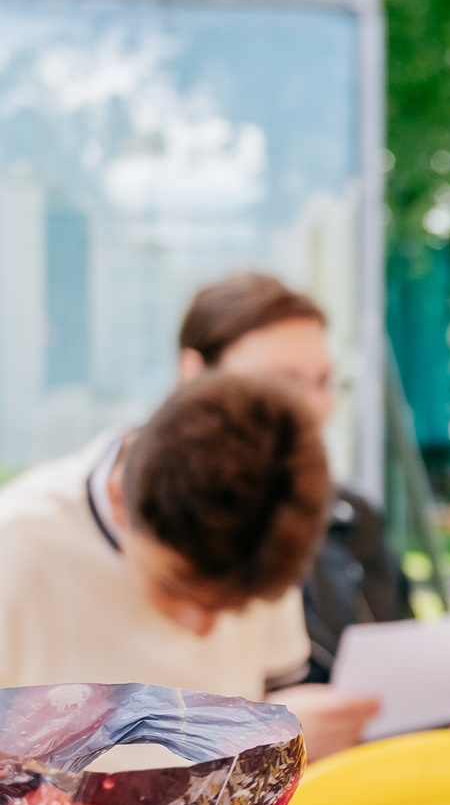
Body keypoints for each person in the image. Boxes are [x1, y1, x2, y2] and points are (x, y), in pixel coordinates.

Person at [0, 372, 378, 756]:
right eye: (175, 589)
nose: (202, 629)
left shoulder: (263, 528)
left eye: (235, 608)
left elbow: (273, 689)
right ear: (118, 501)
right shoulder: (18, 547)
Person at [170, 272, 415, 680]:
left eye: (324, 381)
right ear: (194, 374)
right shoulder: (150, 529)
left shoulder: (350, 516)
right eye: (282, 383)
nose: (313, 407)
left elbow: (404, 647)